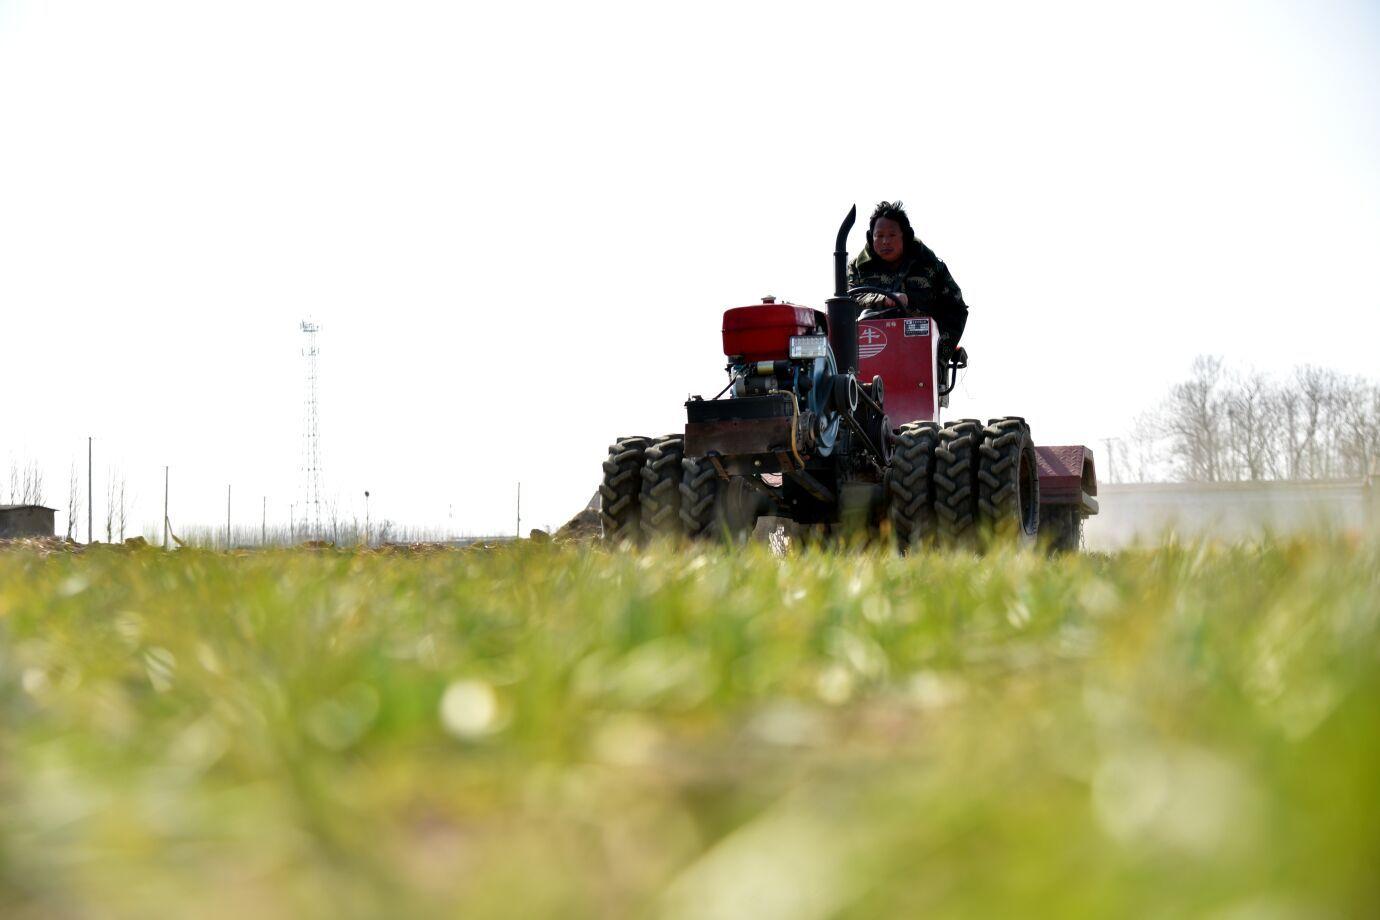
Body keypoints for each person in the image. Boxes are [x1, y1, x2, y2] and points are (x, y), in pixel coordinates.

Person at [847, 200, 969, 354]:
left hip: (920, 355)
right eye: (879, 235)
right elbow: (849, 301)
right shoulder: (858, 267)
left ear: (905, 236)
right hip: (870, 353)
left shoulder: (930, 265)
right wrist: (884, 299)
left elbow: (956, 309)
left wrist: (941, 351)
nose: (885, 241)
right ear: (871, 237)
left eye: (892, 235)